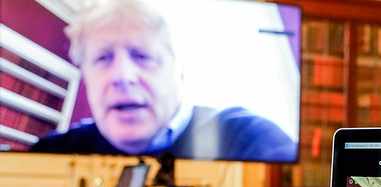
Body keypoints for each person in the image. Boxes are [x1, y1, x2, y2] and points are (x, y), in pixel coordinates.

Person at [30, 0, 296, 162]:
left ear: (178, 71)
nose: (122, 76)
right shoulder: (51, 152)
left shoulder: (250, 139)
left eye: (142, 56)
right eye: (102, 58)